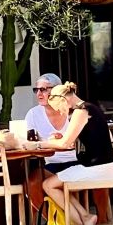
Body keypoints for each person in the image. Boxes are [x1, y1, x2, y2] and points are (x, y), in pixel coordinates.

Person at [40, 82, 113, 225]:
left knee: (48, 185)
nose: (61, 112)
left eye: (59, 108)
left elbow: (65, 145)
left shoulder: (80, 112)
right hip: (108, 166)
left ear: (63, 101)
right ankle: (85, 217)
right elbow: (107, 138)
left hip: (95, 168)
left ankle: (83, 223)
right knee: (58, 184)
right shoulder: (92, 108)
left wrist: (39, 144)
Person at [24, 72, 78, 209]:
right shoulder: (33, 114)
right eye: (36, 90)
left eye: (43, 89)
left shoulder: (72, 111)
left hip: (76, 162)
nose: (39, 94)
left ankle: (100, 222)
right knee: (32, 182)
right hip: (50, 164)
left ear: (57, 90)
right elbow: (30, 140)